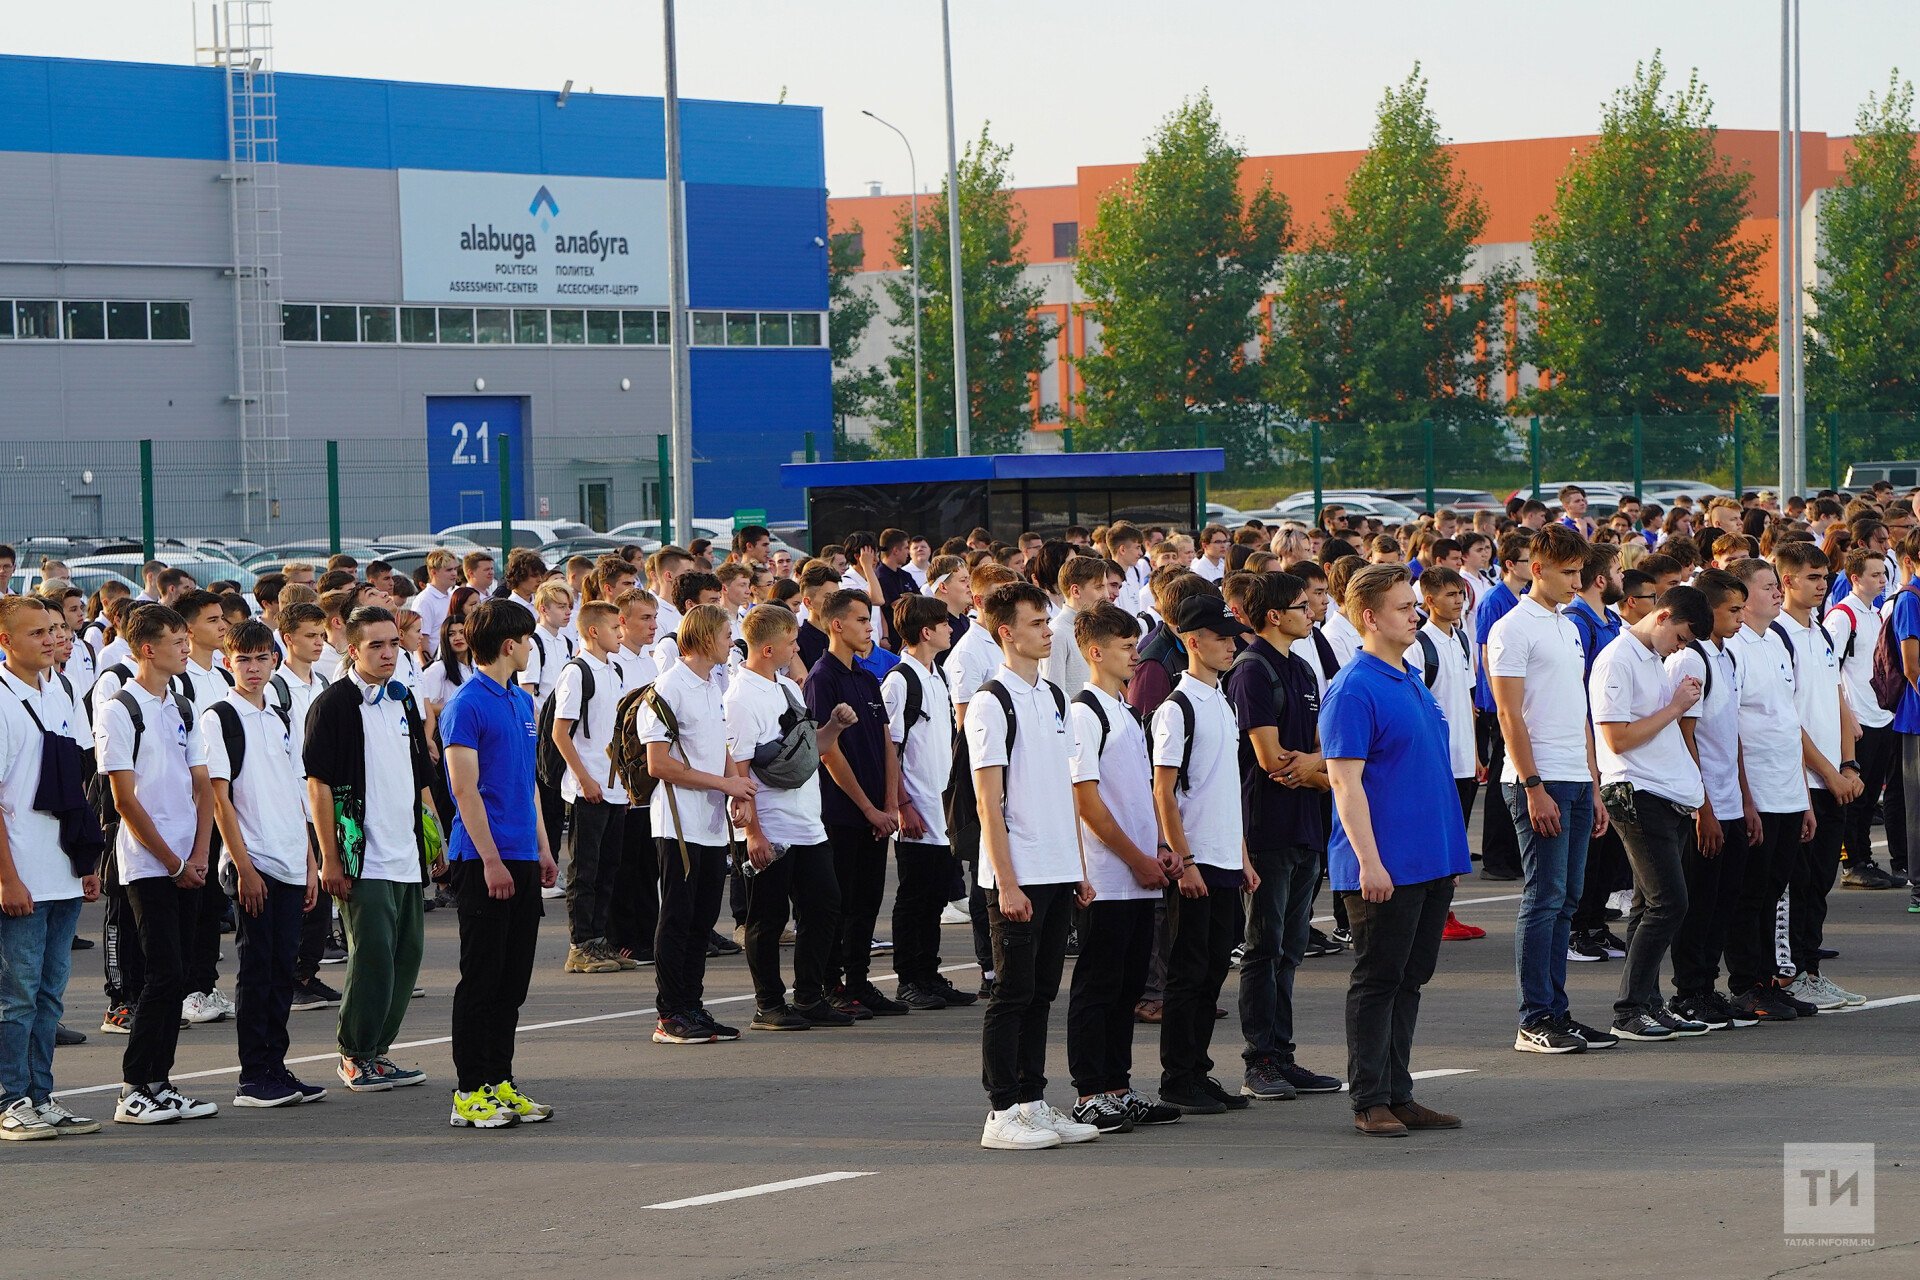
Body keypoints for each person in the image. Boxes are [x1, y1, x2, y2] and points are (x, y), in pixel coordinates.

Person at [1324, 564, 1472, 1137]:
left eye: (1414, 605)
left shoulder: (1407, 676)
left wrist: (1451, 856)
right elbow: (1344, 781)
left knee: (1410, 978)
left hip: (1430, 857)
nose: (1415, 614)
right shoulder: (1354, 686)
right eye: (1403, 607)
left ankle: (1399, 1092)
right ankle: (1369, 1099)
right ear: (1369, 617)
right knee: (1378, 978)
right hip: (1384, 862)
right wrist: (1368, 860)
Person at [967, 581, 1100, 1151]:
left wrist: (1078, 866)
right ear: (1006, 632)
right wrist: (1009, 881)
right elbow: (986, 802)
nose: (1049, 630)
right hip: (1015, 874)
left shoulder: (1050, 696)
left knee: (1043, 990)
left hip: (1056, 867)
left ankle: (1032, 1100)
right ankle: (1001, 1112)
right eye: (1036, 623)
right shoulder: (990, 703)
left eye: (1048, 622)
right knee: (1012, 993)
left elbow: (1064, 791)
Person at [1488, 524, 1618, 1054]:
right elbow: (1507, 713)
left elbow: (1580, 714)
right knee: (1543, 899)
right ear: (1536, 568)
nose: (1576, 582)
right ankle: (1534, 1017)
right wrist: (1533, 783)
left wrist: (1594, 783)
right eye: (1567, 573)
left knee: (1566, 901)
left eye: (1580, 573)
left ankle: (1557, 1012)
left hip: (1575, 775)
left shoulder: (1566, 626)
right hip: (1536, 779)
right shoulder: (1512, 628)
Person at [305, 606, 439, 1093]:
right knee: (373, 955)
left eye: (393, 645)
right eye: (376, 645)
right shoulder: (335, 704)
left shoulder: (402, 701)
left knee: (407, 955)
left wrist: (433, 831)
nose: (387, 654)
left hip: (406, 850)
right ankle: (356, 1053)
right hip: (363, 856)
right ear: (353, 649)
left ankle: (379, 1051)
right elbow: (317, 785)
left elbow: (419, 775)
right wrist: (330, 858)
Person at [97, 604, 219, 1124]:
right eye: (177, 640)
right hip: (148, 866)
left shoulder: (183, 704)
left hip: (187, 861)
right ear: (148, 648)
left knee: (182, 972)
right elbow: (125, 800)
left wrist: (199, 854)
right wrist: (173, 862)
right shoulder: (119, 709)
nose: (186, 647)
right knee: (161, 972)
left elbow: (202, 784)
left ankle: (161, 1083)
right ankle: (133, 1089)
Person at [1225, 573, 1344, 1102]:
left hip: (1305, 825)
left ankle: (1284, 1055)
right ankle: (1261, 1061)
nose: (1313, 611)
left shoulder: (1303, 668)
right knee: (1264, 946)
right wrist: (1326, 774)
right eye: (1302, 605)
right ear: (1274, 615)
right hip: (1267, 828)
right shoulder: (1252, 671)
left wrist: (1320, 771)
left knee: (1291, 948)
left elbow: (1318, 756)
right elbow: (1273, 761)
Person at [1062, 601, 1180, 1133]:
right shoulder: (1084, 711)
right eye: (1126, 648)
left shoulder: (1125, 711)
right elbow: (1086, 801)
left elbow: (1137, 796)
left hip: (1139, 875)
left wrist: (1157, 846)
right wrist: (1136, 859)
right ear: (1095, 652)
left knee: (1129, 985)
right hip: (1109, 878)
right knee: (1099, 985)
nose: (1136, 656)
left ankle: (1118, 1086)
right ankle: (1090, 1092)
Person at [440, 599, 558, 1128]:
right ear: (509, 645)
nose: (533, 647)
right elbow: (465, 791)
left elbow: (526, 783)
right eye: (528, 639)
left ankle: (499, 1081)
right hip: (482, 857)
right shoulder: (466, 705)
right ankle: (468, 1092)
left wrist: (544, 847)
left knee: (512, 982)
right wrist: (490, 860)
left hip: (522, 853)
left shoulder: (521, 701)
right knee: (482, 979)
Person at [202, 619, 327, 1107]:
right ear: (227, 662)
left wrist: (310, 858)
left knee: (282, 973)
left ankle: (276, 1066)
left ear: (274, 661)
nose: (253, 668)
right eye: (243, 659)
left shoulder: (278, 716)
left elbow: (299, 796)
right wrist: (244, 866)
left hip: (292, 860)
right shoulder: (220, 717)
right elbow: (219, 799)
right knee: (256, 973)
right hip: (253, 866)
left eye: (261, 658)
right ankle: (254, 1077)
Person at [1588, 585, 1716, 1040]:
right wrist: (1677, 705)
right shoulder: (1617, 658)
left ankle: (1647, 1003)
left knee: (1650, 904)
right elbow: (1616, 738)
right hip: (1635, 792)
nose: (1680, 647)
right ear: (1662, 617)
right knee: (1669, 902)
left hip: (1666, 793)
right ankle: (1629, 1010)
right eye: (1680, 636)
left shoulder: (1649, 658)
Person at [1152, 594, 1261, 1116]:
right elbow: (1163, 791)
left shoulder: (1221, 700)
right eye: (1220, 637)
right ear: (1192, 642)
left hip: (1223, 856)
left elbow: (1226, 789)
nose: (1231, 644)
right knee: (1189, 971)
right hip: (1195, 860)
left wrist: (1240, 855)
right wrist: (1185, 859)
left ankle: (1198, 1069)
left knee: (1215, 965)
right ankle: (1178, 1075)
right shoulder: (1178, 707)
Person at [0, 596, 104, 1140]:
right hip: (20, 875)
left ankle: (40, 1096)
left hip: (62, 869)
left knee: (48, 993)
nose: (49, 639)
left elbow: (78, 787)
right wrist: (7, 877)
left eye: (53, 630)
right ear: (5, 641)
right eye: (35, 631)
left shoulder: (60, 689)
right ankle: (8, 1099)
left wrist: (84, 862)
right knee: (14, 995)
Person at [726, 604, 852, 1031]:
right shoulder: (740, 697)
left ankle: (810, 996)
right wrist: (753, 833)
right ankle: (769, 1004)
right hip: (772, 827)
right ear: (766, 648)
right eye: (791, 642)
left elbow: (806, 747)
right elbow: (739, 770)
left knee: (824, 904)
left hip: (807, 822)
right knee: (767, 917)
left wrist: (833, 727)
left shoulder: (787, 689)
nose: (797, 648)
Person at [639, 604, 755, 1044]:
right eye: (727, 634)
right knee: (678, 917)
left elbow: (719, 742)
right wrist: (725, 783)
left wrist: (736, 789)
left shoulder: (711, 684)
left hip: (709, 821)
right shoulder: (669, 686)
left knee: (702, 917)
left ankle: (692, 1006)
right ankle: (670, 1014)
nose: (732, 642)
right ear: (706, 638)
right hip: (677, 824)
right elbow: (658, 764)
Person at [1772, 543, 1867, 1011]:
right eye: (1811, 577)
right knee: (1797, 886)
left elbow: (1835, 701)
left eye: (1824, 576)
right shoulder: (1778, 636)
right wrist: (1828, 772)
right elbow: (1790, 720)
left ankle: (1811, 971)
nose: (1821, 584)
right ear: (1787, 581)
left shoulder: (1821, 634)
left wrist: (1848, 766)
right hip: (1802, 783)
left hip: (1832, 779)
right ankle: (1789, 975)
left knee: (1821, 884)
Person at [1725, 558, 1819, 1021]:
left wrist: (1803, 799)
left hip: (1787, 788)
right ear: (1743, 596)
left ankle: (1769, 980)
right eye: (1766, 587)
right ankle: (1746, 984)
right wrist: (1746, 799)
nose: (1777, 592)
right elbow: (1734, 730)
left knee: (1776, 887)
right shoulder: (1734, 648)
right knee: (1752, 892)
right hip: (1757, 791)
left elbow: (1788, 723)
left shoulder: (1776, 642)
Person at [804, 589, 904, 1017]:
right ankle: (833, 985)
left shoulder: (866, 678)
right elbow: (828, 752)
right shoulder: (821, 678)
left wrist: (888, 805)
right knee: (839, 903)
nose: (870, 628)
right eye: (863, 620)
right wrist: (867, 808)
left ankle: (860, 982)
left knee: (866, 903)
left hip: (875, 813)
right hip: (842, 812)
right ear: (838, 625)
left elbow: (885, 742)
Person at [1664, 569, 1756, 1030]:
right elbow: (1686, 736)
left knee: (1724, 899)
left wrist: (1746, 800)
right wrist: (1704, 809)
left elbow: (1730, 735)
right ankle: (1689, 992)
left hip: (1730, 802)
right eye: (1732, 610)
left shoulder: (1726, 657)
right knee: (1698, 902)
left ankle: (1708, 987)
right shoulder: (1690, 659)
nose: (1741, 618)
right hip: (1704, 806)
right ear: (1706, 612)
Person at [880, 595, 971, 1010]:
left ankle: (930, 975)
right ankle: (909, 979)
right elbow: (890, 748)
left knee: (935, 895)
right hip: (917, 811)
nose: (951, 628)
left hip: (942, 811)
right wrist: (902, 804)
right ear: (925, 632)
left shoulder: (936, 676)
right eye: (943, 623)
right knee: (915, 898)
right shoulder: (901, 680)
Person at [551, 600, 633, 976]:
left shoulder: (613, 669)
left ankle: (601, 941)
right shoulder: (576, 672)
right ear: (594, 631)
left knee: (609, 869)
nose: (621, 633)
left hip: (616, 788)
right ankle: (580, 945)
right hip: (590, 790)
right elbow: (560, 733)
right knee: (585, 871)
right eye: (616, 627)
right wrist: (584, 778)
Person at [1415, 567, 1487, 943]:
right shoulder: (1420, 644)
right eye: (1449, 595)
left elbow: (1468, 702)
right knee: (1437, 839)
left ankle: (1444, 909)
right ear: (1429, 600)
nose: (1458, 601)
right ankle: (1436, 913)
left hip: (1462, 760)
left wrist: (1474, 753)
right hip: (1437, 762)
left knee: (1454, 840)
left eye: (1460, 594)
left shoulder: (1461, 639)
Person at [1824, 548, 1902, 888]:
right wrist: (1848, 718)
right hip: (1858, 720)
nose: (1882, 580)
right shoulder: (1843, 616)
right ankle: (1852, 862)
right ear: (1855, 578)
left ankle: (1866, 858)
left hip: (1881, 715)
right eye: (1874, 574)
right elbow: (1830, 670)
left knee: (1870, 797)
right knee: (1854, 796)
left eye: (1884, 574)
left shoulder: (1874, 614)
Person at [1473, 531, 1533, 880]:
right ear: (1510, 564)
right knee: (1500, 779)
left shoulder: (1522, 596)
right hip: (1499, 702)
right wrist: (1497, 698)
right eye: (1527, 560)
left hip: (1514, 699)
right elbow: (1487, 652)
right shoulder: (1496, 599)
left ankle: (1510, 853)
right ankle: (1497, 858)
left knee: (1512, 774)